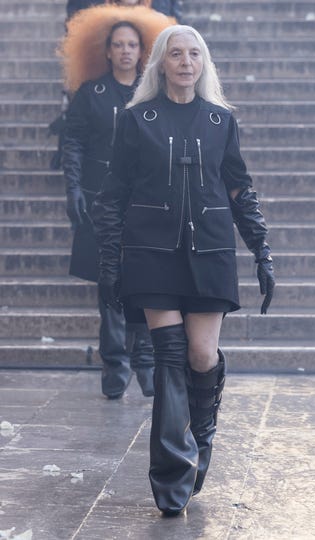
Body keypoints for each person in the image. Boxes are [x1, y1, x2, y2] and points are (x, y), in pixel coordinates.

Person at [92, 24, 275, 515]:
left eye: (195, 54)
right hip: (152, 252)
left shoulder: (220, 121)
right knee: (170, 358)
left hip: (210, 251)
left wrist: (261, 249)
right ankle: (172, 476)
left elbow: (239, 188)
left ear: (204, 63)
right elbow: (113, 195)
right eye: (177, 54)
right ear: (161, 62)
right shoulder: (138, 120)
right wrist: (111, 263)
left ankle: (202, 432)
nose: (186, 62)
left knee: (200, 355)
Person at [62, 20, 159, 399]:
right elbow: (74, 142)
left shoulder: (153, 94)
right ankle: (115, 365)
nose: (124, 51)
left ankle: (146, 361)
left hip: (145, 201)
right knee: (108, 283)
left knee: (148, 281)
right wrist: (72, 188)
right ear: (107, 51)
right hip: (101, 201)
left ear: (141, 50)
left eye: (131, 44)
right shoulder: (92, 93)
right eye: (118, 44)